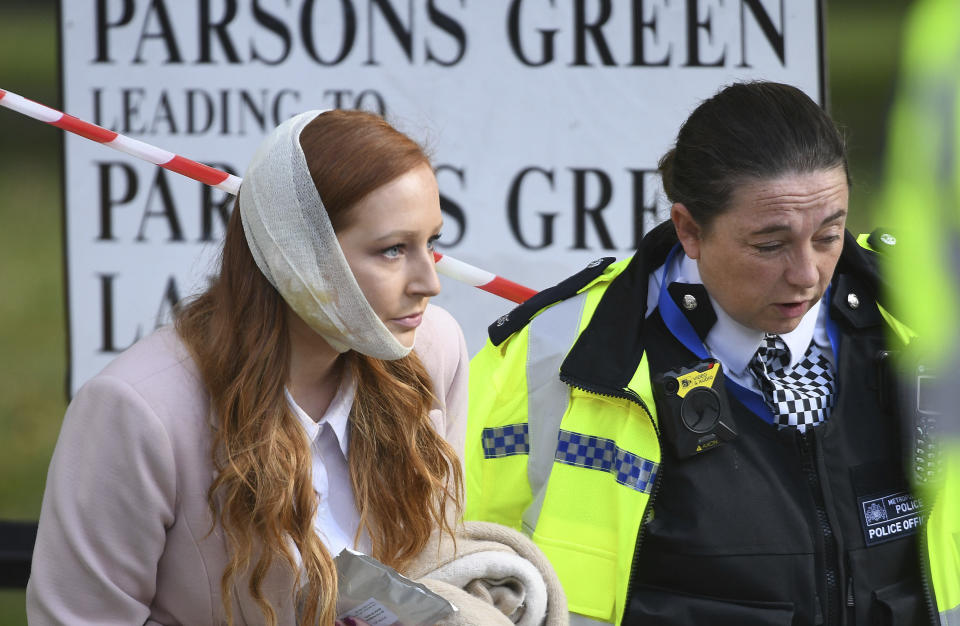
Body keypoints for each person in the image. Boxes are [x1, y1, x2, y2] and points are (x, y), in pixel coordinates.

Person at [464, 81, 960, 625]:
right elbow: (478, 568)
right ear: (690, 230)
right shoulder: (555, 354)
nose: (806, 274)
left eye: (828, 235)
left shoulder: (930, 315)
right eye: (769, 245)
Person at [26, 109, 469, 625]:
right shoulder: (137, 410)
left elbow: (440, 563)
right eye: (392, 250)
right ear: (298, 251)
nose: (429, 282)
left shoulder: (432, 350)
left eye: (431, 243)